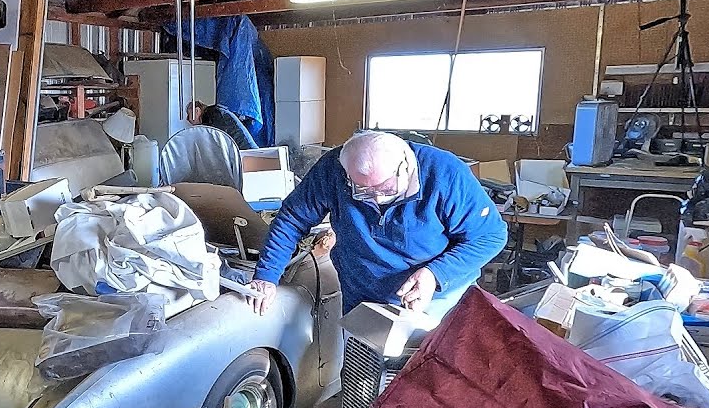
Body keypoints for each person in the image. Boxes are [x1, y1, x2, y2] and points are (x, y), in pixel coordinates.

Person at [248, 131, 507, 320]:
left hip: (440, 297)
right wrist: (267, 276)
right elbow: (292, 219)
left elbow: (491, 237)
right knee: (364, 381)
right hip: (363, 295)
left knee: (435, 380)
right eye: (362, 190)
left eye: (386, 188)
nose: (377, 199)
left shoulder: (446, 174)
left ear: (406, 166)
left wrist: (435, 274)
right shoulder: (333, 170)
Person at [187, 101, 258, 150]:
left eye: (188, 114)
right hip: (246, 149)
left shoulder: (211, 116)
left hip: (244, 152)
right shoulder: (215, 112)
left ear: (196, 111)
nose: (188, 119)